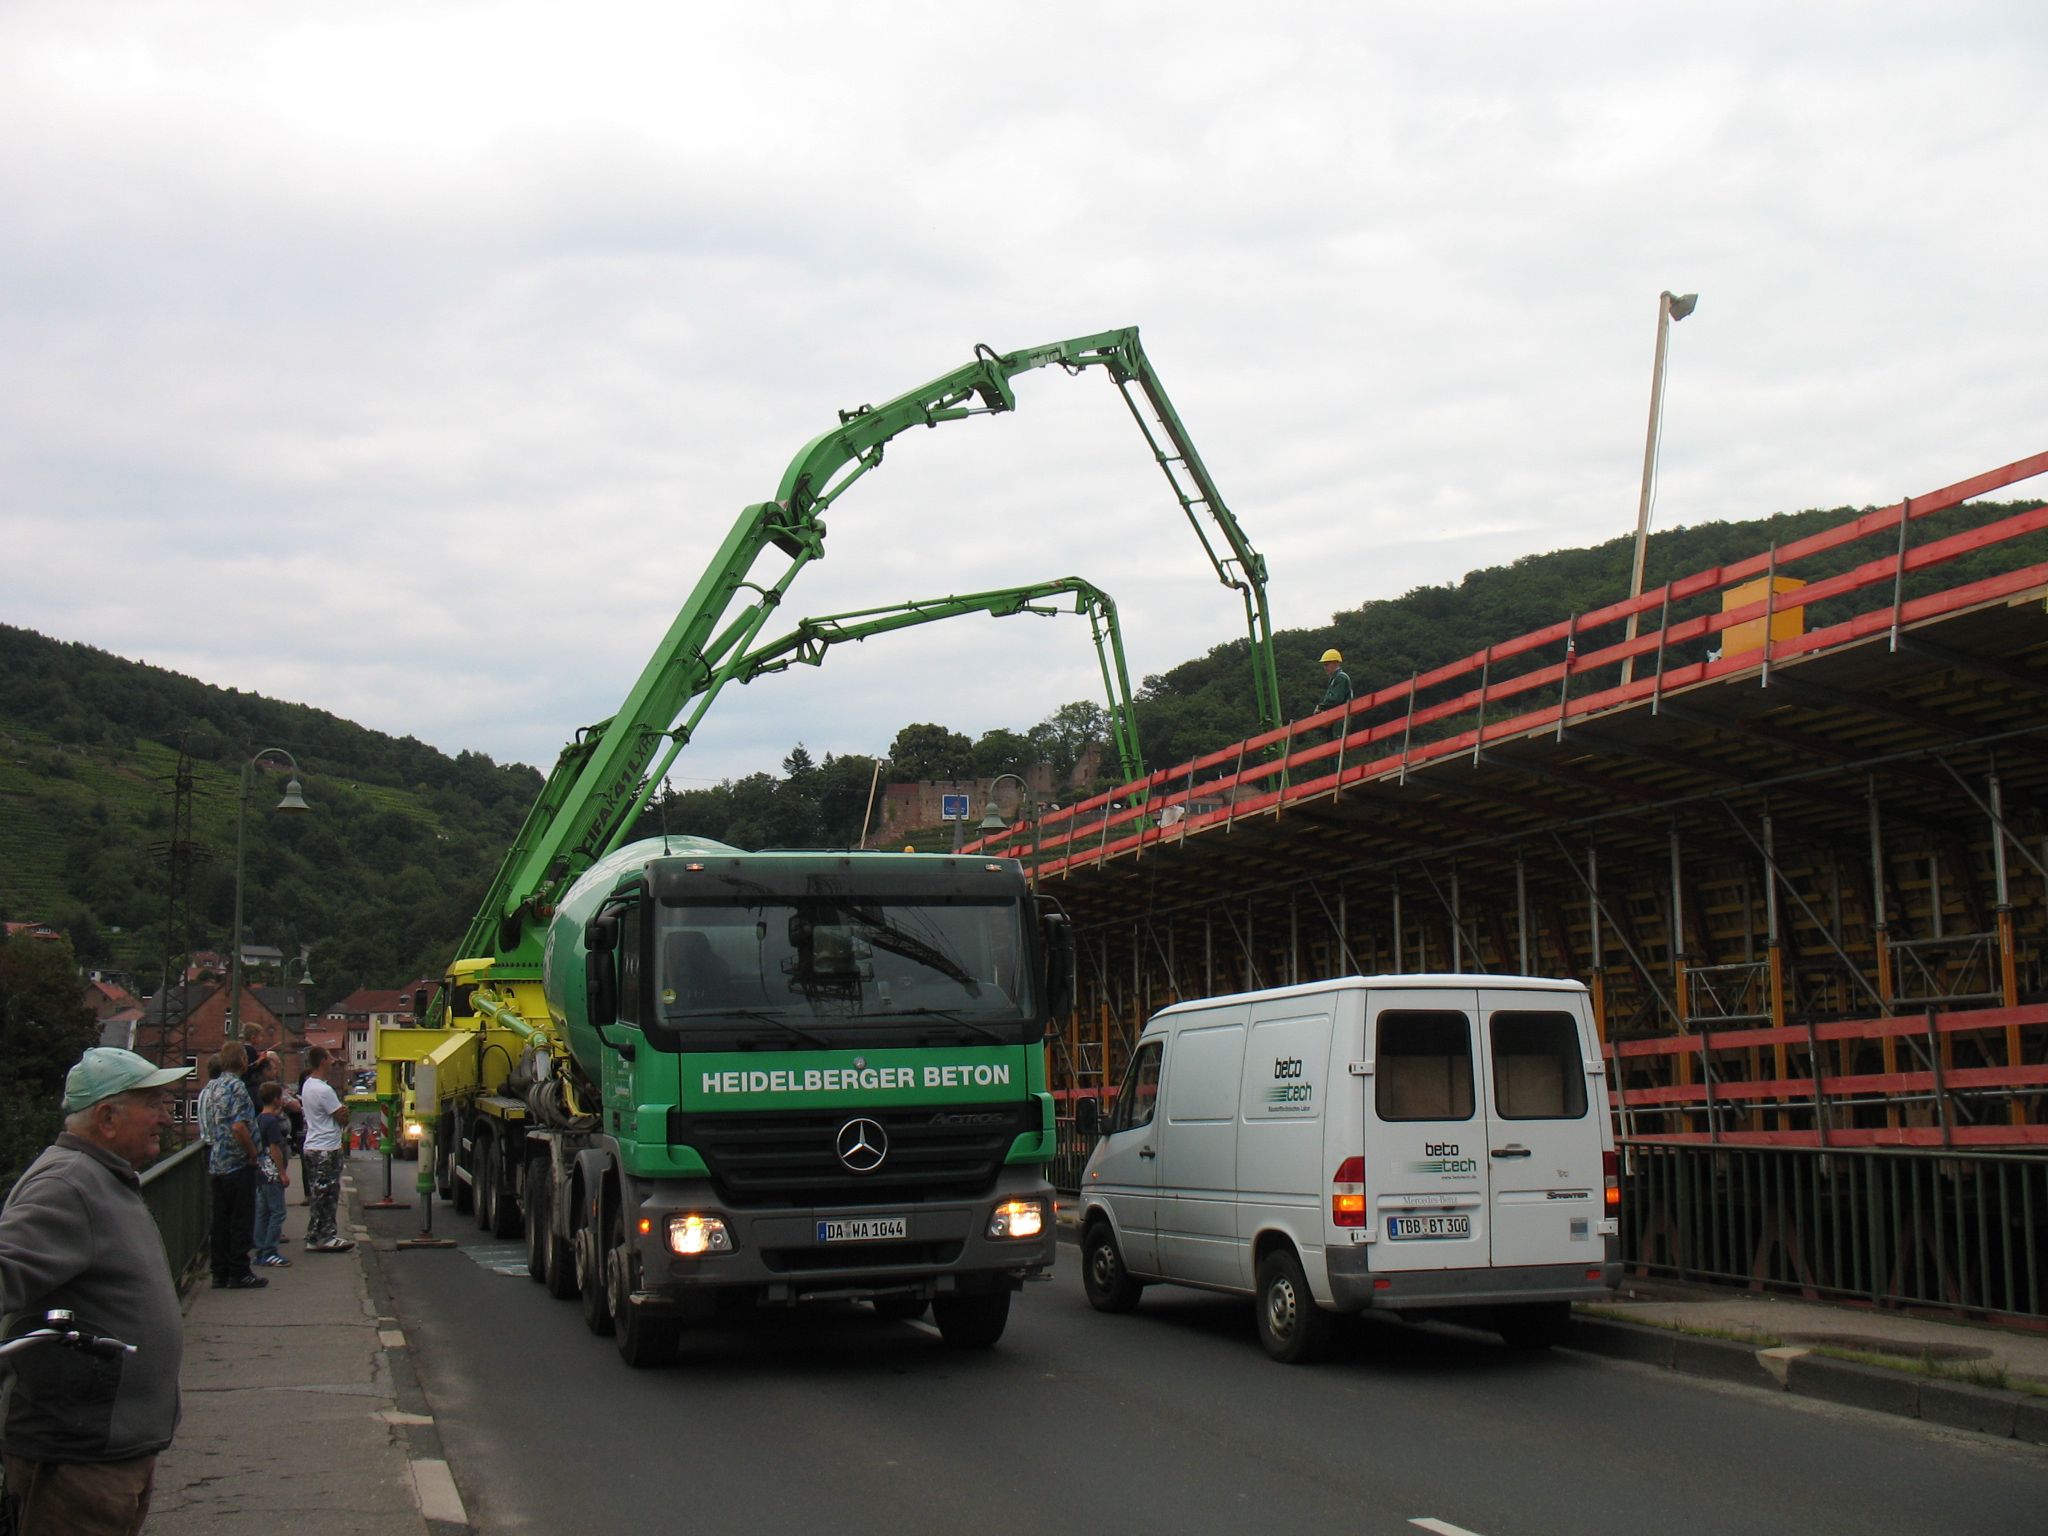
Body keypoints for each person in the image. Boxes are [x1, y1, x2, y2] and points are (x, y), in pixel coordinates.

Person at [0, 1046, 194, 1536]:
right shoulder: (68, 1184)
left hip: (106, 1447)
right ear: (108, 1117)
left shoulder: (102, 1178)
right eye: (154, 1104)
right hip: (77, 1455)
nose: (165, 1119)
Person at [194, 1042, 265, 1290]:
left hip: (215, 1162)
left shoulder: (211, 1087)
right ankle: (240, 1271)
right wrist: (252, 1152)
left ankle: (219, 1272)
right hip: (237, 1163)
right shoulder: (237, 1087)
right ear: (243, 1061)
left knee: (220, 1220)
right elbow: (238, 1126)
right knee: (240, 1219)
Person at [299, 1048, 352, 1254]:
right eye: (329, 1058)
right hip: (326, 1147)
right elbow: (342, 1116)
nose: (333, 1062)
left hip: (312, 1145)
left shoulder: (307, 1085)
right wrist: (343, 1112)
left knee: (317, 1192)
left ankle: (314, 1235)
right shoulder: (324, 1090)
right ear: (322, 1061)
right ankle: (326, 1236)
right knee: (328, 1193)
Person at [251, 1082, 293, 1269]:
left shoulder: (260, 1118)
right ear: (276, 1099)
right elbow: (275, 1148)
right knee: (277, 1212)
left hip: (260, 1172)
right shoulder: (273, 1123)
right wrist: (282, 1172)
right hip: (271, 1173)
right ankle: (270, 1252)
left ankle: (260, 1251)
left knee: (262, 1212)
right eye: (281, 1097)